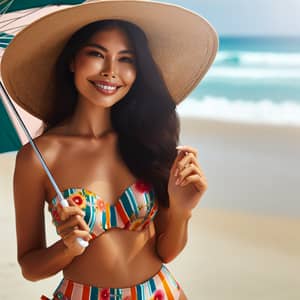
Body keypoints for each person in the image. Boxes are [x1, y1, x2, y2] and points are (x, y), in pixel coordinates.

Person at [1, 1, 218, 299]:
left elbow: (166, 252)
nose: (111, 71)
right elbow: (30, 266)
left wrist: (182, 211)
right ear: (72, 60)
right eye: (96, 54)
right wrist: (65, 250)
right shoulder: (38, 158)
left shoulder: (148, 140)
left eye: (126, 59)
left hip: (159, 293)